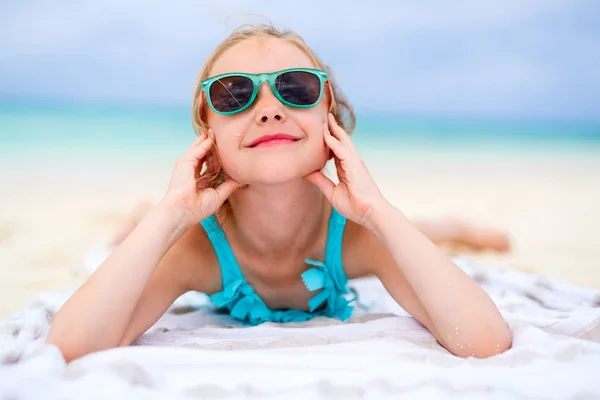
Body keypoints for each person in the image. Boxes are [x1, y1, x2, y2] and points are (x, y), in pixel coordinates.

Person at [46, 24, 512, 362]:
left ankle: (453, 226)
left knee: (416, 231)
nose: (269, 109)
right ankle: (141, 213)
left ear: (329, 115)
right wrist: (169, 215)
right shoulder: (195, 247)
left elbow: (484, 342)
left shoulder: (358, 234)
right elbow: (69, 347)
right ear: (208, 130)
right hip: (202, 222)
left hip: (333, 221)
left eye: (296, 88)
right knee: (139, 229)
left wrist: (378, 212)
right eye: (234, 94)